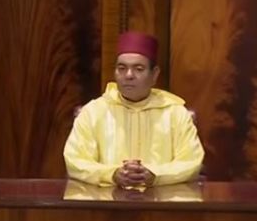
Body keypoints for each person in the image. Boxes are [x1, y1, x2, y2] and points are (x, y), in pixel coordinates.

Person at [63, 31, 204, 188]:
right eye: (122, 68)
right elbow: (75, 161)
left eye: (138, 68)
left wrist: (155, 175)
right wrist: (112, 174)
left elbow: (191, 161)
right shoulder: (93, 112)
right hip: (105, 204)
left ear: (154, 74)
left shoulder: (175, 114)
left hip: (162, 205)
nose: (128, 75)